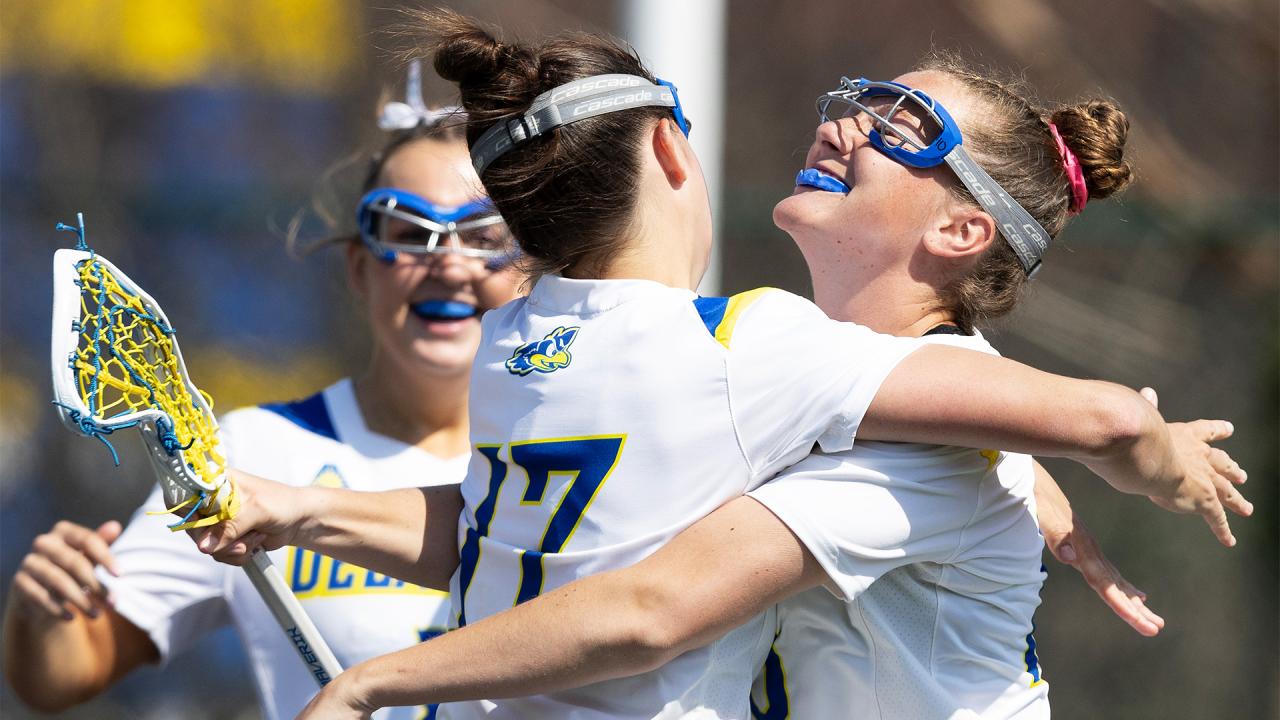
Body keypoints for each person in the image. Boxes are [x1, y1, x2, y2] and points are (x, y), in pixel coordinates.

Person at [193, 13, 1250, 720]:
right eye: (858, 94)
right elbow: (539, 533)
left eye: (900, 123)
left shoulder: (885, 431)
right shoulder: (765, 368)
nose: (844, 119)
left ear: (965, 232)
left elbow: (648, 602)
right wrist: (305, 511)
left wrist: (1150, 454)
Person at [2, 65, 523, 720]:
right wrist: (42, 610)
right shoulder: (252, 455)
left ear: (533, 272)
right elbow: (65, 673)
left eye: (484, 237)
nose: (447, 263)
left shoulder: (576, 451)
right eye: (408, 231)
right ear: (359, 269)